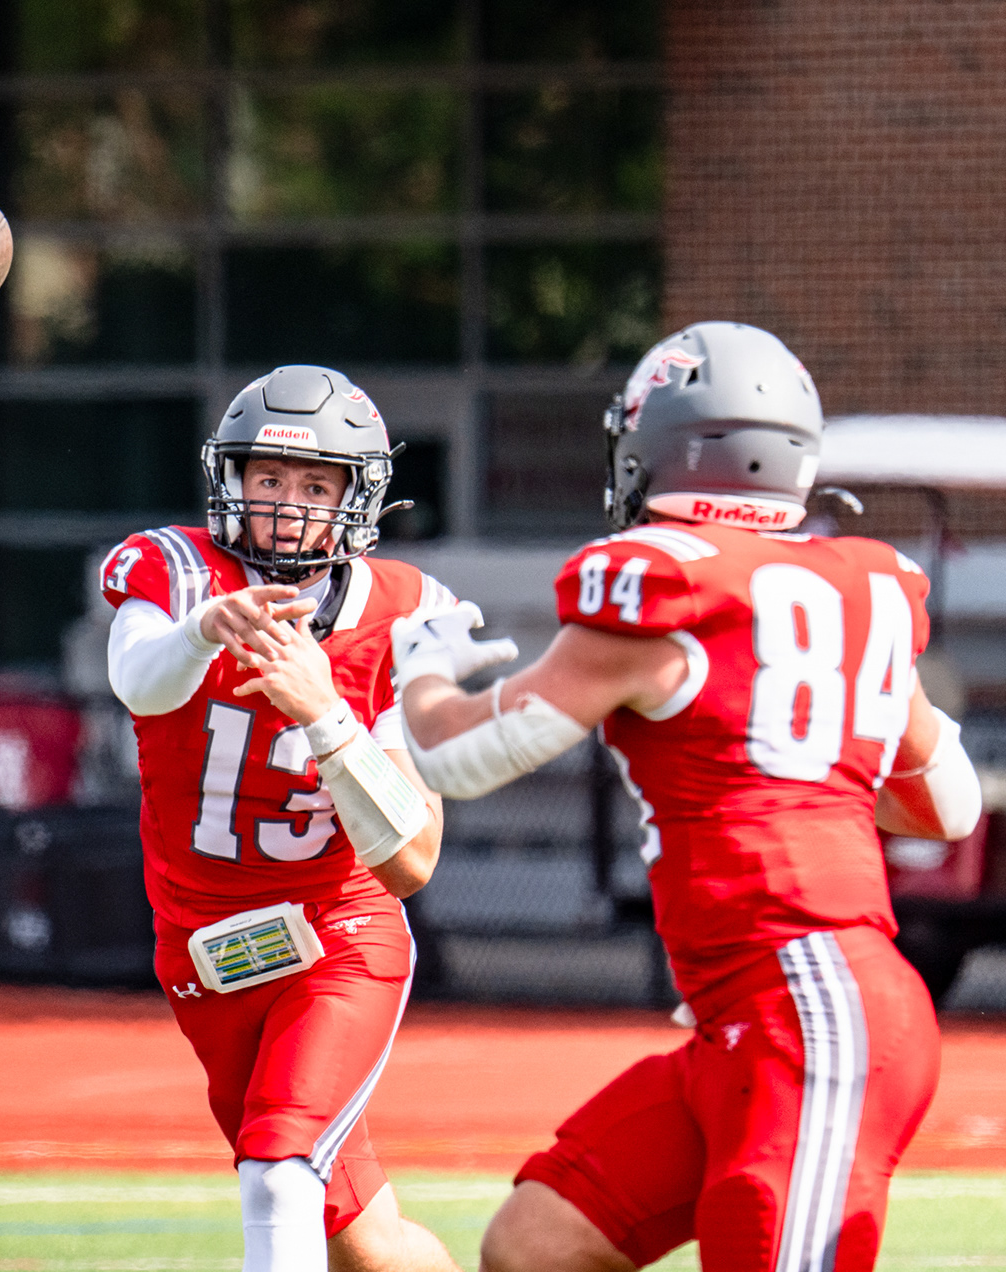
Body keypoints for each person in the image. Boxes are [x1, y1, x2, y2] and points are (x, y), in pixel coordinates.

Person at [392, 323, 982, 1272]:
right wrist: (800, 769)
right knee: (538, 1244)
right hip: (752, 1013)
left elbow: (455, 756)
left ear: (654, 447)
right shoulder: (859, 591)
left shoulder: (664, 584)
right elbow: (944, 809)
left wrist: (420, 669)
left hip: (808, 1006)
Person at [101, 365, 458, 1272]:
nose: (288, 506)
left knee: (278, 1171)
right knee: (365, 1243)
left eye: (315, 487)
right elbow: (139, 683)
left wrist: (325, 713)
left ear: (355, 500)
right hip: (205, 948)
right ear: (232, 479)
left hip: (341, 931)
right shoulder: (176, 572)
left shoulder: (405, 616)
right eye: (268, 478)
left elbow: (412, 861)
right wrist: (203, 630)